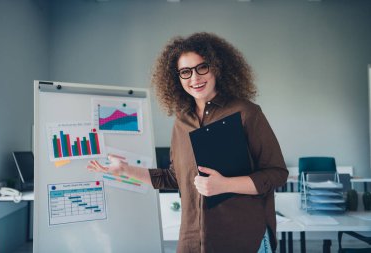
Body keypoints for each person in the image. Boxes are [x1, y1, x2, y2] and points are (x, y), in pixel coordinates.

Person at [88, 32, 288, 253]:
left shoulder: (246, 113)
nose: (195, 78)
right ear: (177, 78)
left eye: (202, 67)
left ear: (217, 67)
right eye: (185, 72)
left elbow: (277, 173)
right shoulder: (182, 122)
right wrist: (125, 170)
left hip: (242, 239)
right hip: (192, 241)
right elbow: (176, 178)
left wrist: (225, 185)